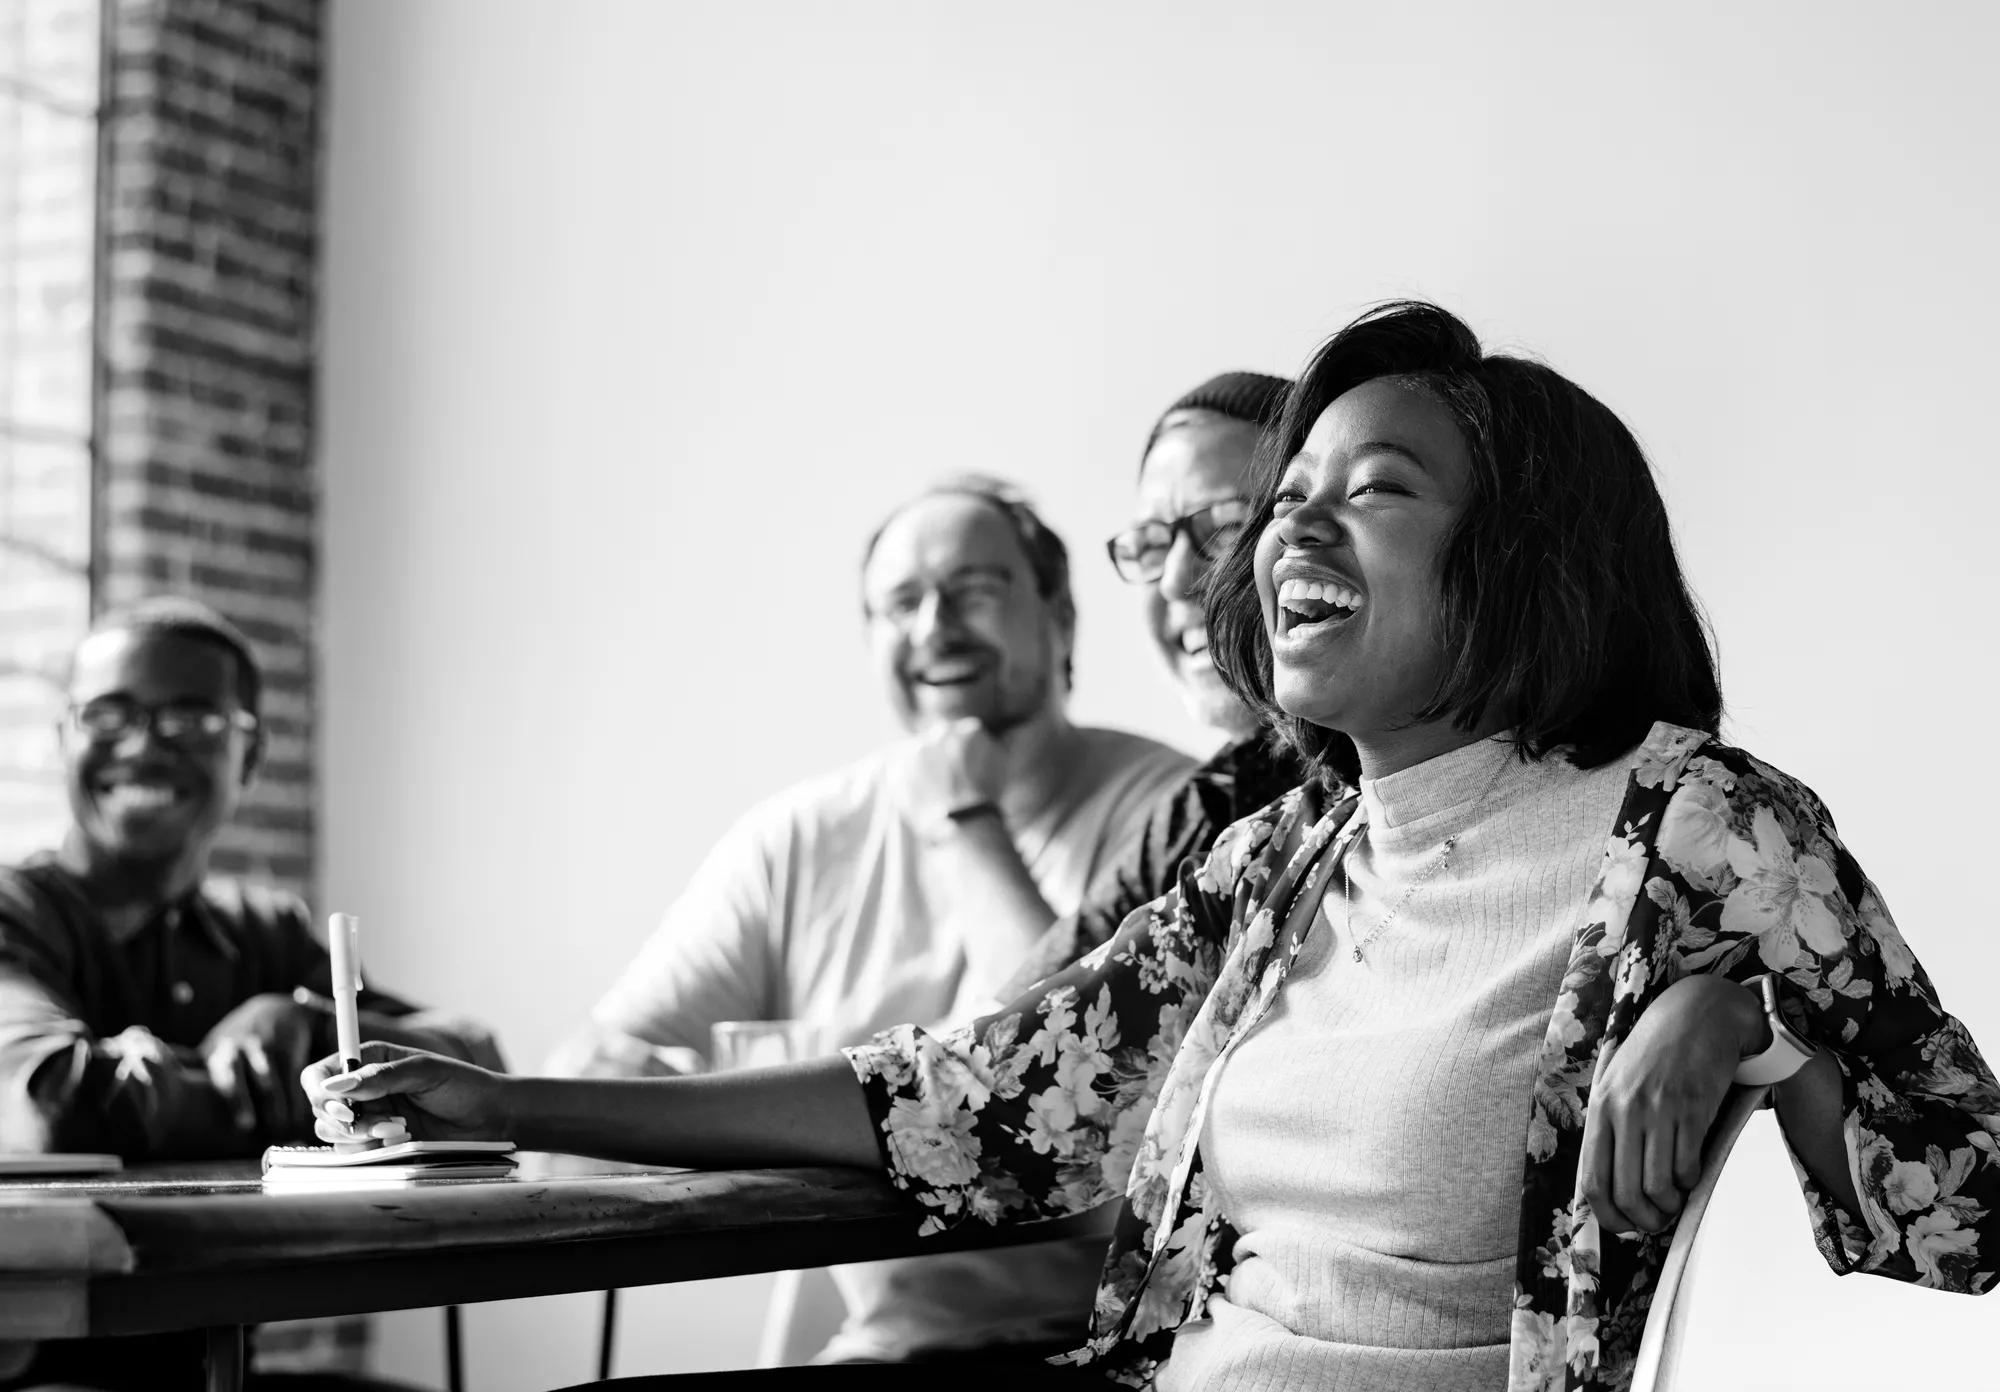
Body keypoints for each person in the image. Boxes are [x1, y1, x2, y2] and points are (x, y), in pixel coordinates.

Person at [305, 303, 1999, 1392]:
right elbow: (981, 1098)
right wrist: (512, 1103)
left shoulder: (1697, 825)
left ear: (1524, 559)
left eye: (1376, 488)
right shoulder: (1285, 860)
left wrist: (1756, 1033)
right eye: (1294, 490)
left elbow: (1969, 1213)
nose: (1294, 526)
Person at [543, 477, 1194, 1364]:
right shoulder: (796, 840)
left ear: (1061, 617)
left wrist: (964, 817)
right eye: (901, 603)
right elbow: (598, 1063)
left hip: (1112, 1350)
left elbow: (1058, 1079)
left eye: (975, 590)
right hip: (890, 1345)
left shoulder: (1170, 811)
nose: (934, 627)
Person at [0, 596, 499, 1392]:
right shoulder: (15, 915)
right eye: (106, 714)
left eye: (191, 719)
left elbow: (473, 1067)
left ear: (251, 755)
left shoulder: (266, 932)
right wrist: (294, 1071)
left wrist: (297, 1020)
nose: (144, 745)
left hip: (217, 1368)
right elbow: (49, 1103)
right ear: (63, 737)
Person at [996, 372, 1311, 999]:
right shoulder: (1210, 804)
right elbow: (1021, 1020)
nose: (1173, 579)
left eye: (1224, 526)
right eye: (1151, 544)